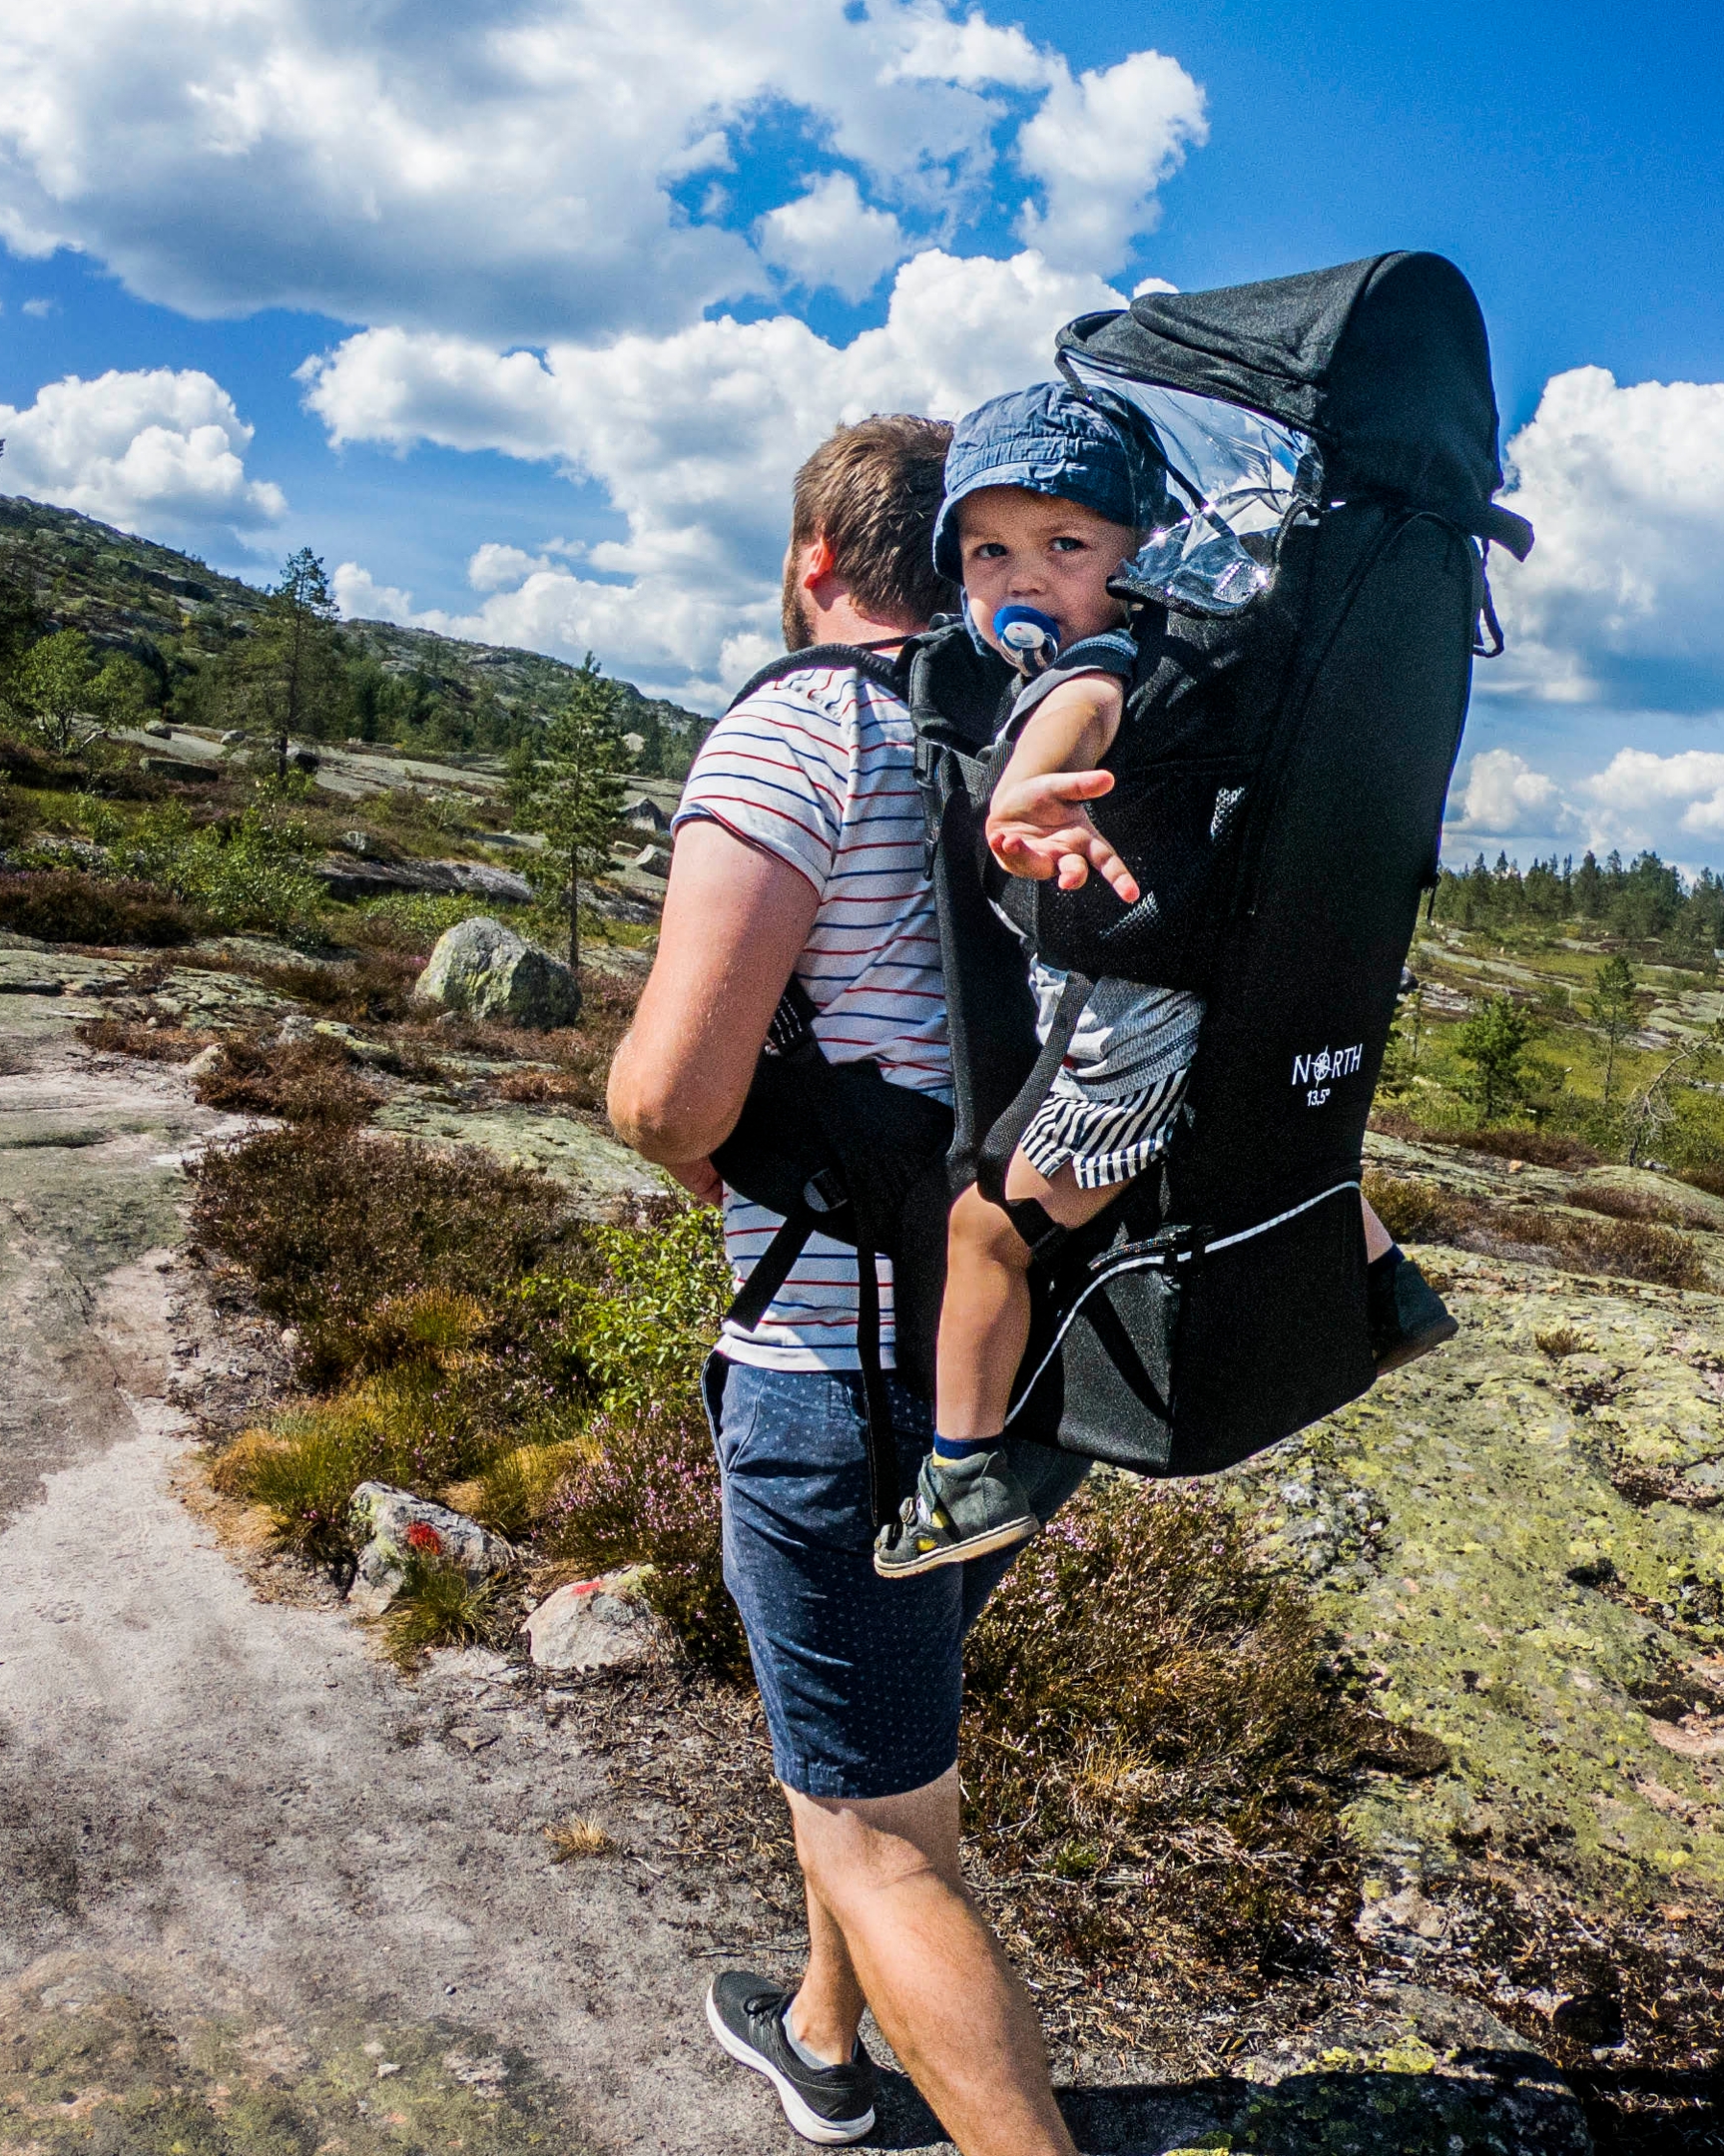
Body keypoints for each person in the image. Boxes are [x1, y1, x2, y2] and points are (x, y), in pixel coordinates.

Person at [607, 413, 1088, 2155]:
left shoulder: (804, 732)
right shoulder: (1042, 738)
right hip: (1017, 1363)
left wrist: (714, 1168)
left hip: (837, 1370)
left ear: (816, 559)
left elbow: (671, 1096)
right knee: (882, 1769)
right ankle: (825, 2041)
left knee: (885, 1843)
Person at [874, 384, 1453, 1580]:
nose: (1024, 576)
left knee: (986, 1237)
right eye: (990, 550)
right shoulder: (1190, 666)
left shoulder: (1102, 665)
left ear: (1137, 558)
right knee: (1256, 1149)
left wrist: (1020, 795)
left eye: (1066, 545)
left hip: (1124, 1042)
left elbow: (1073, 717)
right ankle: (1389, 1294)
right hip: (1232, 1005)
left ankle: (961, 1475)